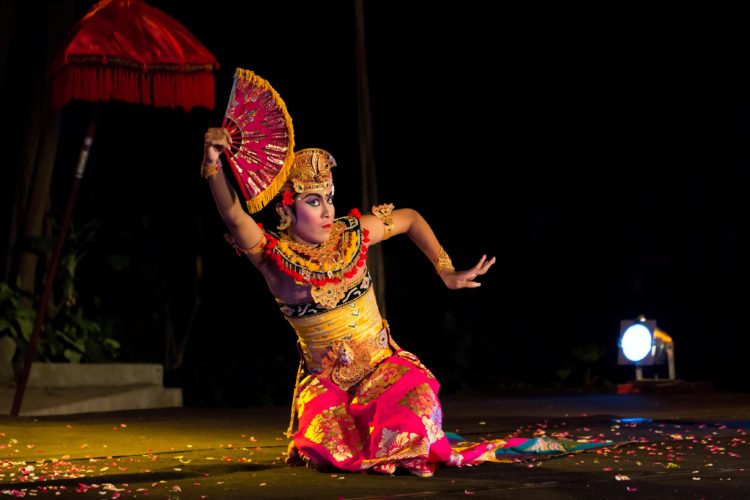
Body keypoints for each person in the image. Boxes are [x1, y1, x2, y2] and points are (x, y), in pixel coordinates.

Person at [201, 127, 498, 476]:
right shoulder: (272, 257)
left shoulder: (351, 235)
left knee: (417, 407)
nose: (327, 210)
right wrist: (212, 165)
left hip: (383, 369)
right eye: (313, 201)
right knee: (329, 446)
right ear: (286, 211)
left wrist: (445, 269)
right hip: (327, 384)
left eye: (329, 197)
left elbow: (410, 219)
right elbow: (234, 217)